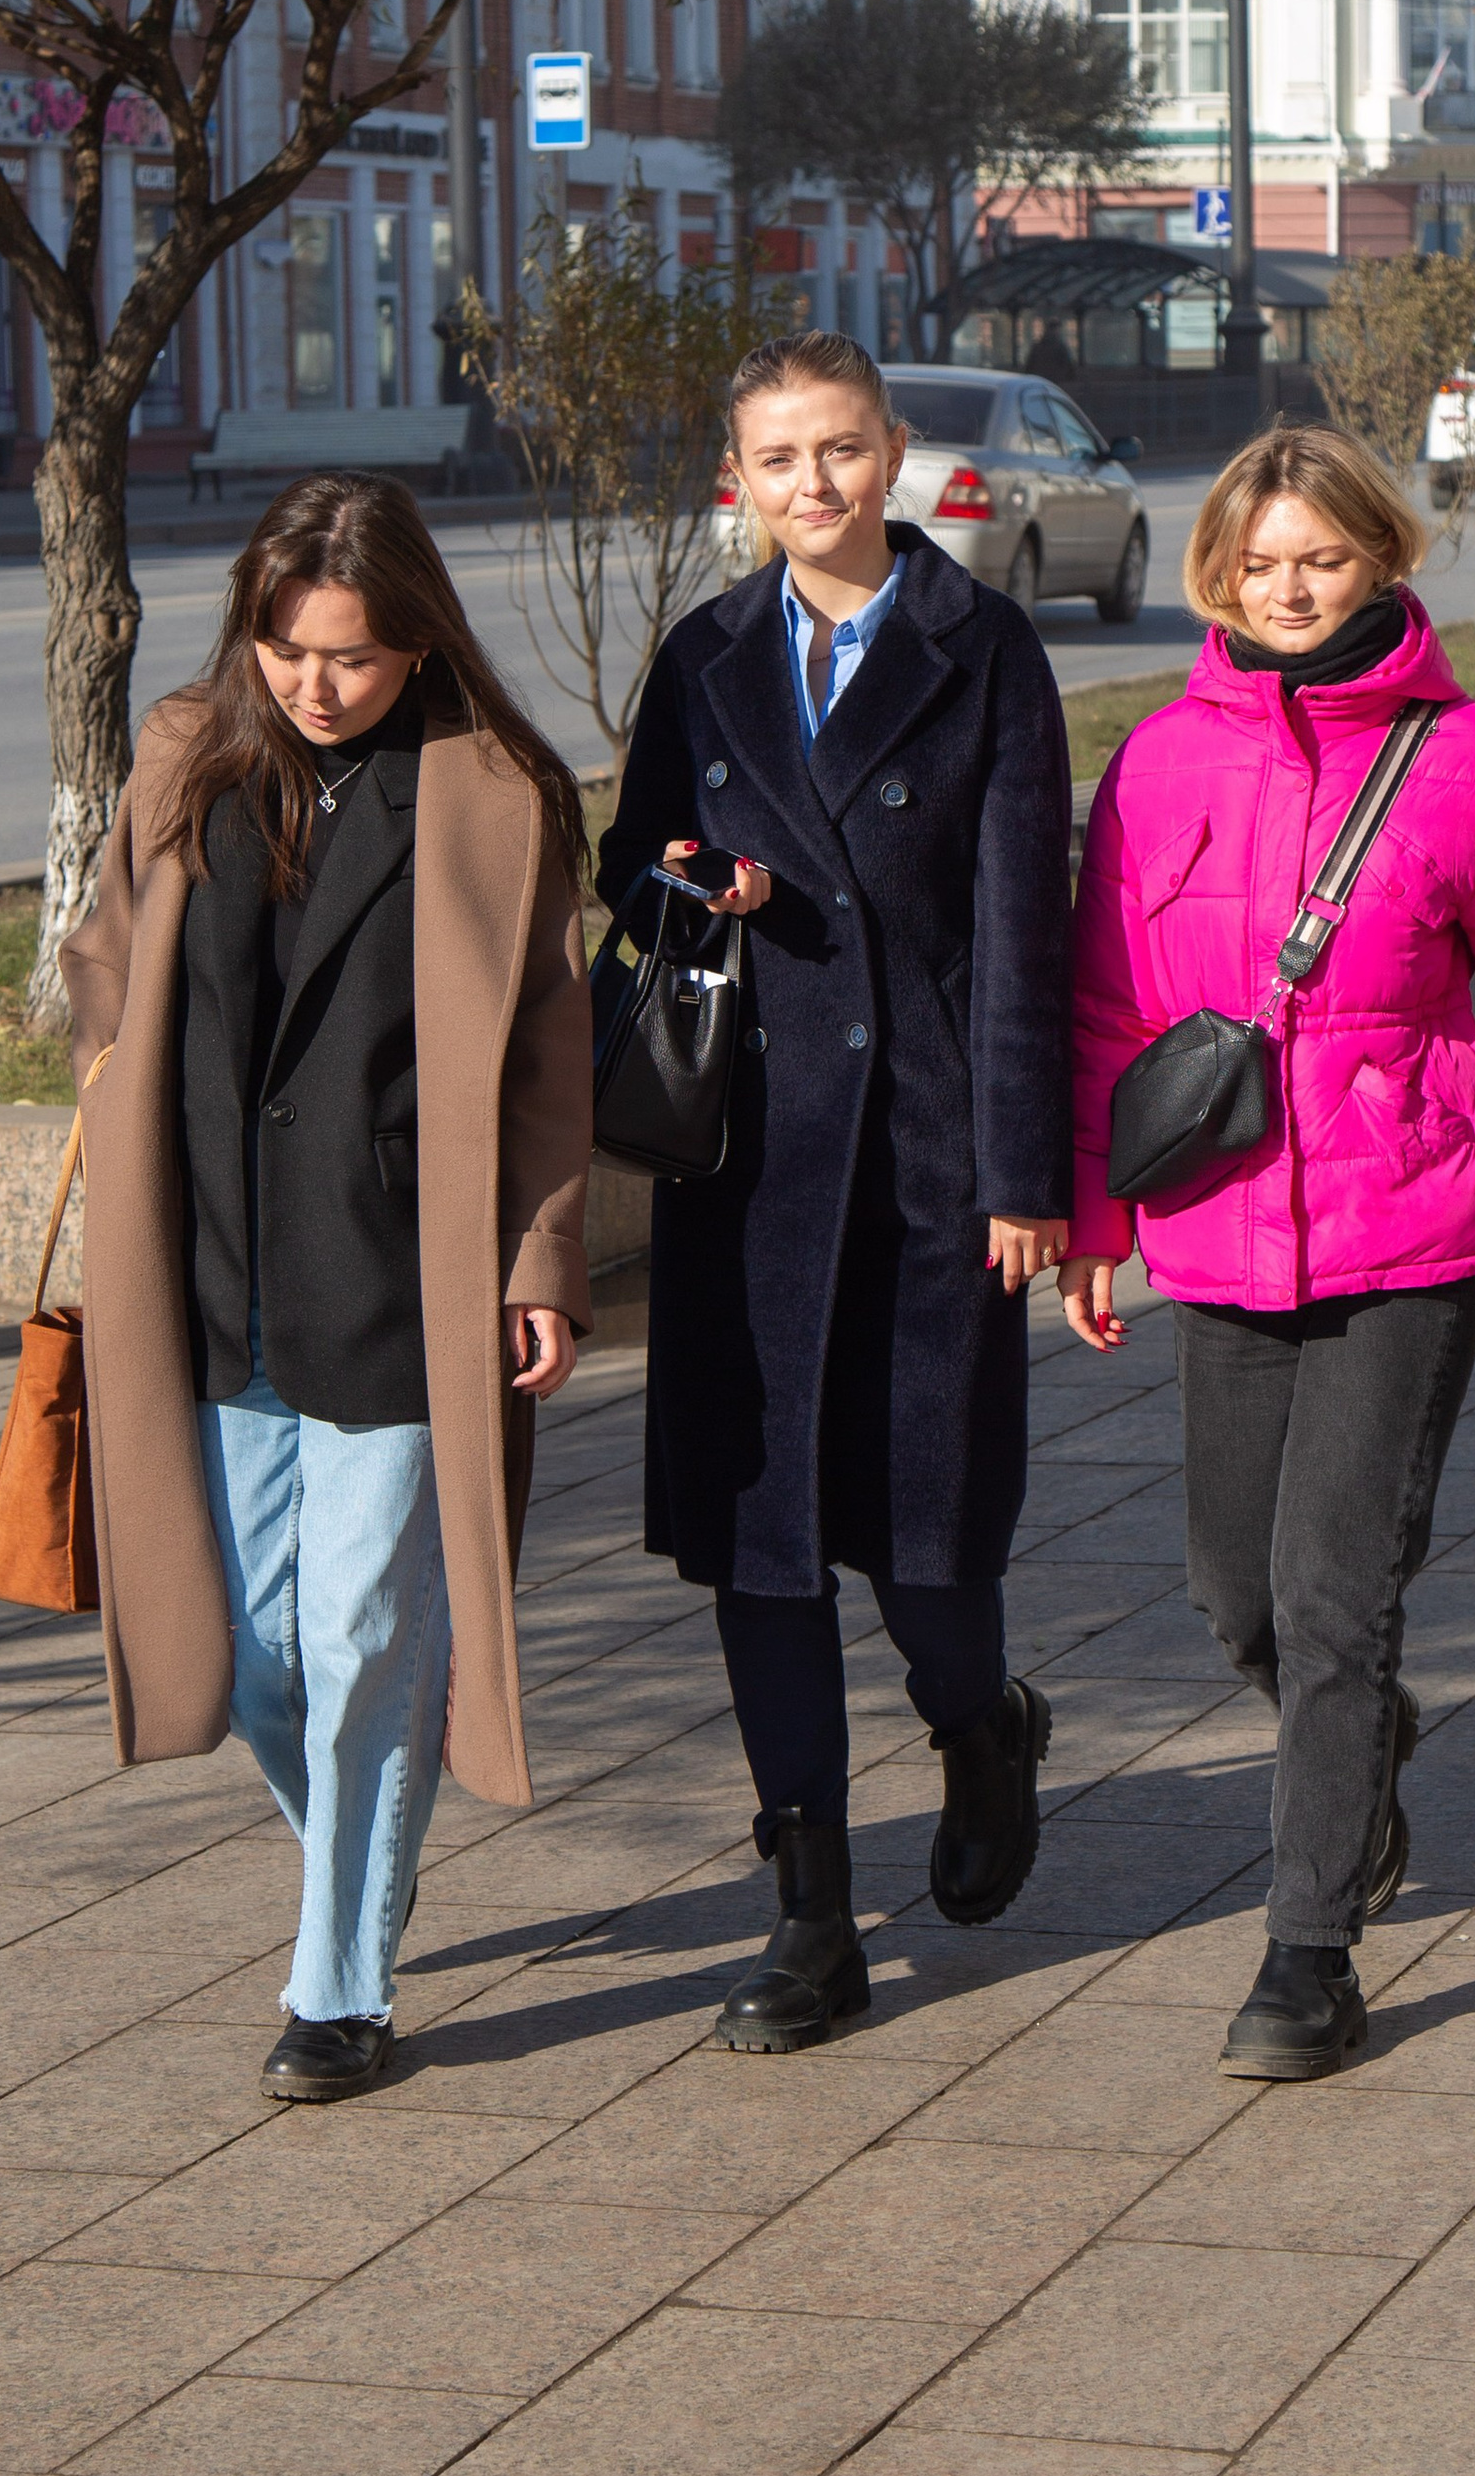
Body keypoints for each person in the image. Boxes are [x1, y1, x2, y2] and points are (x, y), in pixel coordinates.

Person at [1055, 422, 1475, 2078]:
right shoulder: (1159, 762)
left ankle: (1307, 1948)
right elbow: (1112, 1013)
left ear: (1382, 557)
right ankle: (1367, 1739)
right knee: (1229, 1593)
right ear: (1216, 578)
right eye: (1257, 565)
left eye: (1319, 558)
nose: (1289, 588)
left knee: (1333, 1593)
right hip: (1220, 1231)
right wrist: (1097, 1217)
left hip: (1411, 1226)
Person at [62, 474, 592, 2103]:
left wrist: (537, 1256)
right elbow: (103, 955)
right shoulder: (187, 757)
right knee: (246, 1657)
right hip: (214, 1272)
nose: (313, 685)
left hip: (396, 1274)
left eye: (351, 657)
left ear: (420, 645)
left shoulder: (493, 793)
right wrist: (108, 1068)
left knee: (361, 1625)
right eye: (287, 650)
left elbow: (553, 1057)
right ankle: (362, 1864)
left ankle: (337, 1986)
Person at [600, 329, 1076, 2054]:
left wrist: (1032, 1177)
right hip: (746, 1174)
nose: (816, 484)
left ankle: (980, 1725)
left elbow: (1029, 932)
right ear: (741, 482)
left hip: (931, 1162)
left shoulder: (983, 649)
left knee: (928, 1543)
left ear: (895, 458)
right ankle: (810, 1908)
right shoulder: (707, 653)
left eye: (846, 450)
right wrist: (677, 873)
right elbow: (630, 851)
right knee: (764, 1549)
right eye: (781, 459)